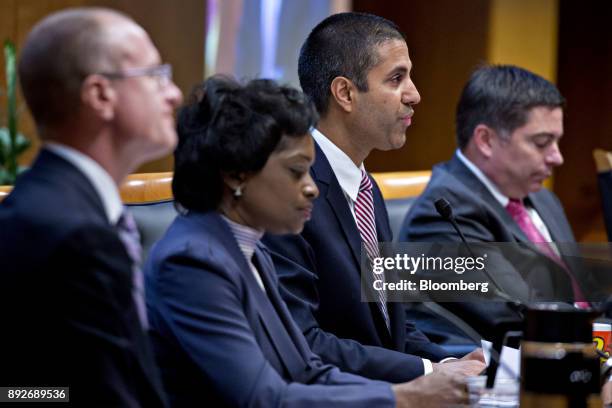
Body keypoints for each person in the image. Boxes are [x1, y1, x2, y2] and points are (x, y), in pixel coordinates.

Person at [145, 75, 469, 407]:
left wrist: (421, 386)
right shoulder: (192, 262)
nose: (311, 186)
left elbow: (310, 372)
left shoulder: (249, 249)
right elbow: (263, 399)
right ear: (235, 174)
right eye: (296, 171)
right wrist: (404, 398)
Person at [262, 12, 484, 383]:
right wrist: (425, 370)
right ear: (345, 93)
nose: (415, 95)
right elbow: (302, 340)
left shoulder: (365, 185)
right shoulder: (288, 191)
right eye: (397, 79)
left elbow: (389, 326)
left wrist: (448, 363)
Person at [0, 7, 182, 406]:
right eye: (154, 76)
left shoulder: (52, 205)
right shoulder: (76, 235)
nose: (174, 93)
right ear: (100, 95)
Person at [399, 64, 597, 339]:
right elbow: (517, 317)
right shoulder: (443, 213)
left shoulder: (543, 199)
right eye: (542, 142)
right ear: (486, 140)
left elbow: (584, 296)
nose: (557, 157)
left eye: (557, 142)